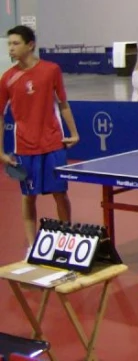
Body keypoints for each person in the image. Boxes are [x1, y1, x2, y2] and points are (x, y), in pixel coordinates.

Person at [0, 25, 80, 249]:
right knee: (28, 197)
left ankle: (68, 239)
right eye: (9, 44)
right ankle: (31, 246)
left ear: (30, 45)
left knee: (60, 193)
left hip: (53, 142)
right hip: (24, 146)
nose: (11, 48)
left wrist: (74, 133)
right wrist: (0, 151)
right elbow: (0, 116)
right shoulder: (7, 78)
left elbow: (63, 104)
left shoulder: (51, 70)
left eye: (16, 43)